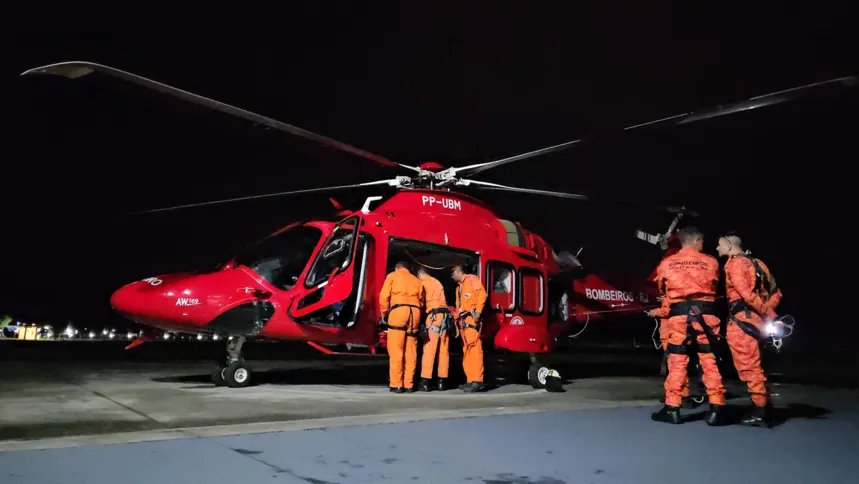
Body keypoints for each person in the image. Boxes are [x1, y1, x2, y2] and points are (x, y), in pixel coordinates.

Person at [646, 226, 728, 425]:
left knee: (677, 363)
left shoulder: (666, 264)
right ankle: (717, 408)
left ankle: (672, 409)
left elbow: (662, 291)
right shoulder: (712, 262)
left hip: (679, 319)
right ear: (696, 241)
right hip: (706, 318)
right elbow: (715, 285)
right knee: (710, 362)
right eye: (701, 242)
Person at [717, 232, 783, 427]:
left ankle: (761, 412)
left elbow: (746, 295)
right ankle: (765, 407)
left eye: (720, 245)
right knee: (756, 365)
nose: (717, 249)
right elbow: (777, 293)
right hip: (757, 324)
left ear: (729, 245)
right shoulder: (759, 264)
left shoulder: (734, 264)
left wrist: (769, 314)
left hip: (742, 324)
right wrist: (766, 313)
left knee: (749, 368)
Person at [379, 261, 425, 393]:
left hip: (398, 311)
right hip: (414, 313)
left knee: (396, 349)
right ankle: (409, 384)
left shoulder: (392, 276)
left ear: (397, 267)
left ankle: (397, 384)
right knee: (411, 351)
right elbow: (421, 301)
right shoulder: (416, 280)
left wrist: (384, 313)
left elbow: (384, 296)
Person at [451, 263, 487, 392]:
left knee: (475, 350)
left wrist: (478, 313)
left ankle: (477, 380)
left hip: (471, 320)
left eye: (452, 273)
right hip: (463, 323)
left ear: (457, 271)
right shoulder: (458, 288)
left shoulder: (472, 280)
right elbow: (458, 307)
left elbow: (482, 295)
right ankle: (470, 380)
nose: (451, 276)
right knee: (467, 351)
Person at [416, 267, 451, 392]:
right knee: (443, 351)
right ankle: (442, 382)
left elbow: (420, 303)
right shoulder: (437, 282)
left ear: (420, 274)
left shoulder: (423, 283)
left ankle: (425, 382)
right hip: (445, 319)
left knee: (429, 350)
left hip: (433, 317)